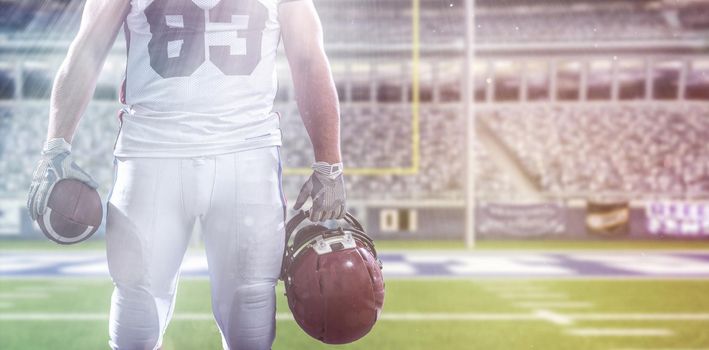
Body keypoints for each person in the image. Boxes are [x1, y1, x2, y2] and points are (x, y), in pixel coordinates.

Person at [26, 0, 346, 348]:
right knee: (145, 317)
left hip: (192, 155)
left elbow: (88, 49)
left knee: (239, 317)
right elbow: (308, 60)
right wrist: (328, 165)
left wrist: (56, 147)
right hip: (194, 155)